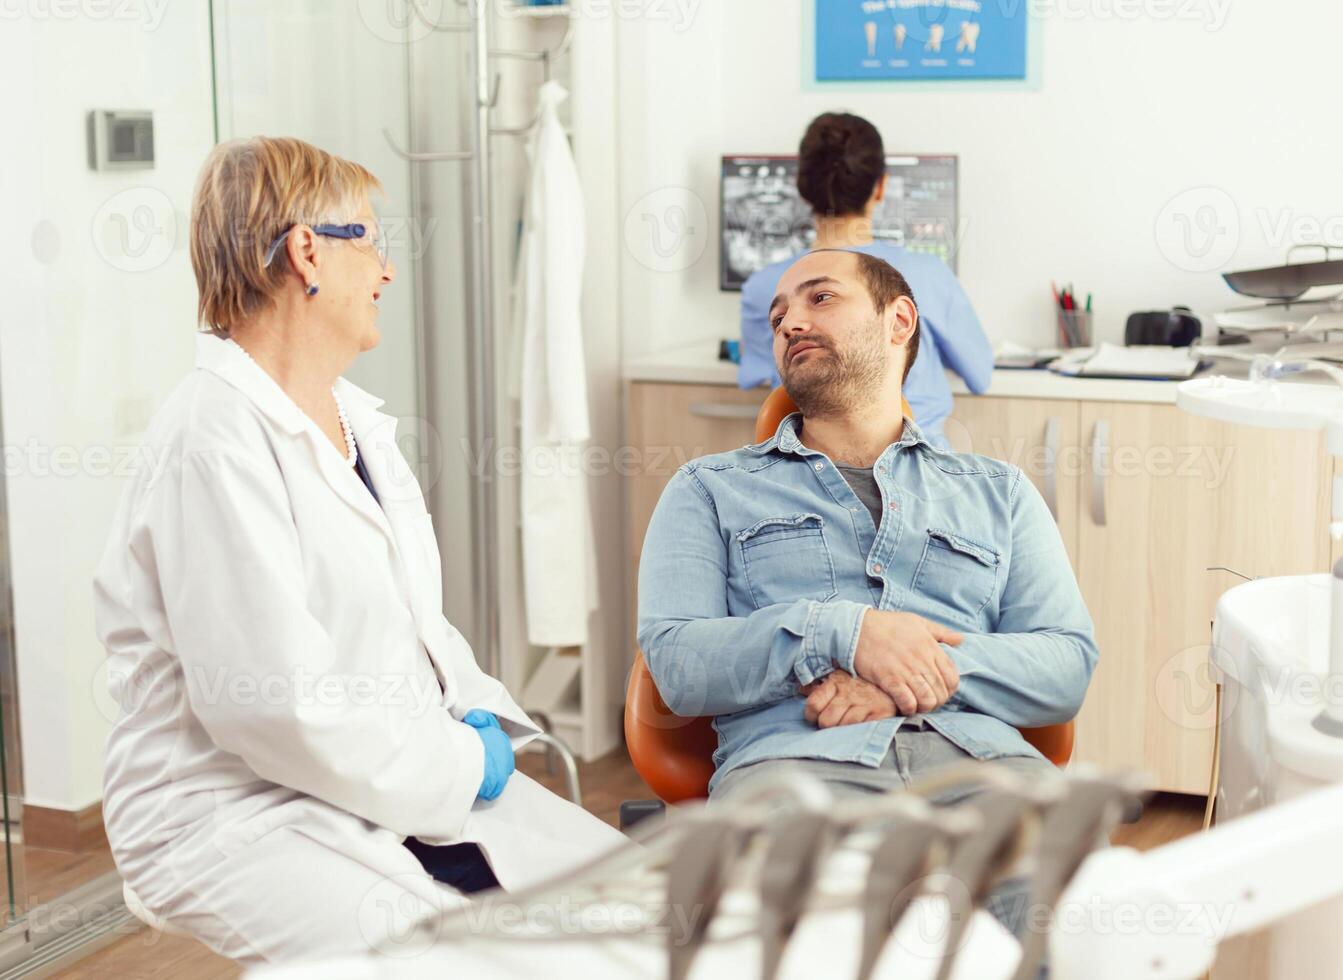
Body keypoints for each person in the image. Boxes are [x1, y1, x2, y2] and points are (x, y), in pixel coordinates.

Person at [93, 136, 621, 965]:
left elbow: (418, 627)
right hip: (228, 811)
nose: (386, 271)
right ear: (307, 252)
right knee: (445, 958)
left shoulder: (351, 420)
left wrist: (473, 722)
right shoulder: (214, 440)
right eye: (369, 239)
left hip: (372, 773)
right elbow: (275, 706)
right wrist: (453, 766)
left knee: (629, 901)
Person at [639, 248, 1097, 934]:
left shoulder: (998, 493)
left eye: (820, 299)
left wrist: (909, 674)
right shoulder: (707, 488)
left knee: (1078, 934)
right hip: (794, 776)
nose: (790, 321)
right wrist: (841, 632)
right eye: (778, 313)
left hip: (989, 774)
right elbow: (678, 664)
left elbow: (1066, 663)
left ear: (900, 321)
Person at [738, 112, 994, 445]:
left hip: (805, 473)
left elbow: (755, 374)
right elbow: (980, 374)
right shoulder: (928, 274)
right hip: (924, 475)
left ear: (802, 189)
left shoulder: (765, 287)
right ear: (881, 186)